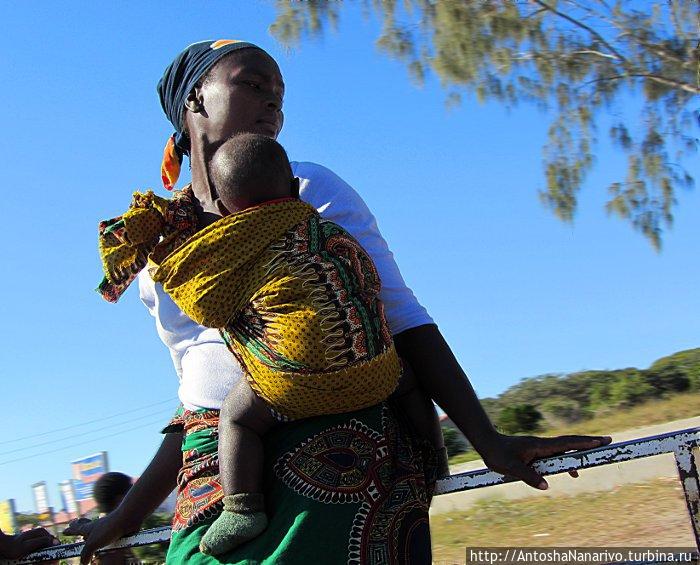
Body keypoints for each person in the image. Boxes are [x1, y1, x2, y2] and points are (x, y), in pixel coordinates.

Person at [68, 39, 611, 565]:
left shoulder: (307, 190)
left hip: (338, 435)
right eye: (253, 85)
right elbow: (197, 398)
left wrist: (488, 440)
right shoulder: (155, 251)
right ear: (195, 102)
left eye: (280, 94)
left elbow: (401, 319)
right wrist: (129, 514)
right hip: (220, 465)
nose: (273, 103)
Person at [153, 133, 448, 555]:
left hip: (294, 387)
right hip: (376, 372)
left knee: (237, 417)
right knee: (410, 380)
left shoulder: (238, 246)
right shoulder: (330, 229)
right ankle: (434, 454)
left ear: (221, 210)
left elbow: (209, 311)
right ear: (293, 188)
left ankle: (241, 508)